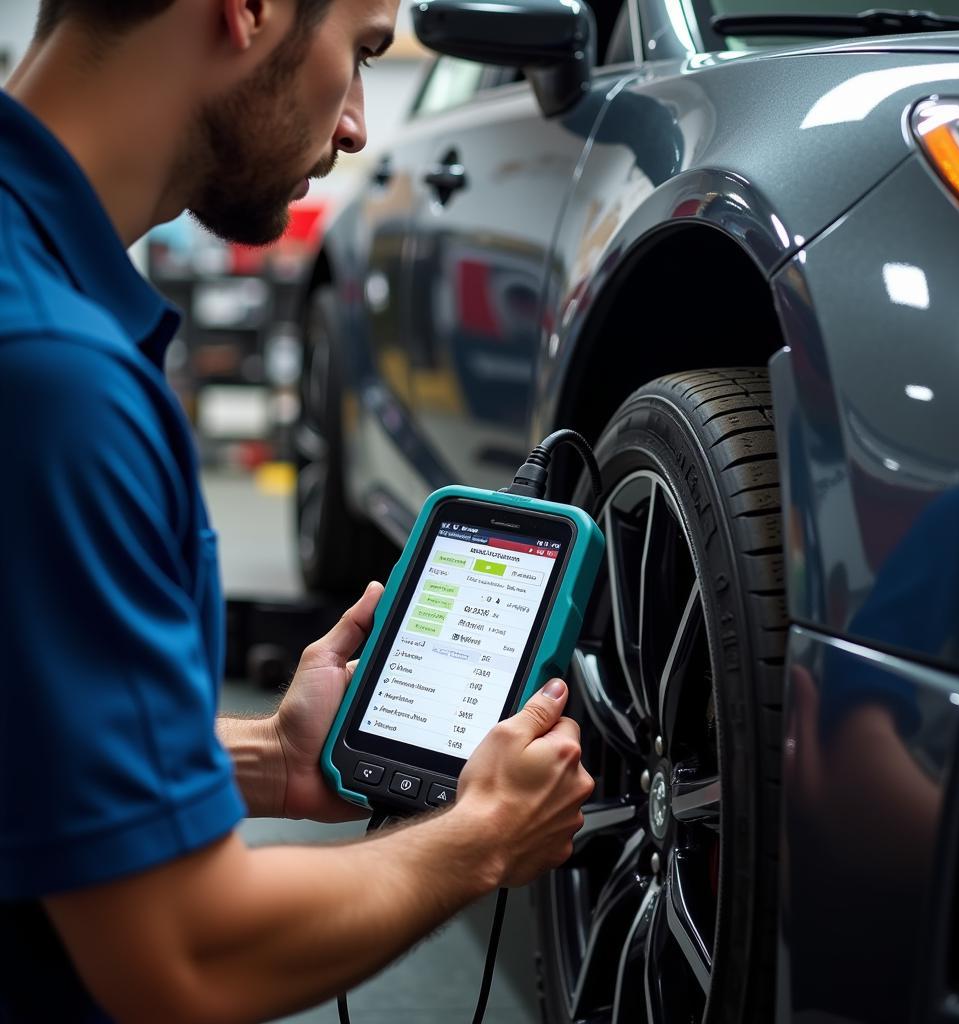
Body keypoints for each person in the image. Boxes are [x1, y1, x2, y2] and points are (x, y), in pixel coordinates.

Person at [0, 2, 595, 1022]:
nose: (360, 122)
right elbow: (187, 958)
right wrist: (477, 836)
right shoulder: (54, 381)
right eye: (361, 52)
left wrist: (267, 758)